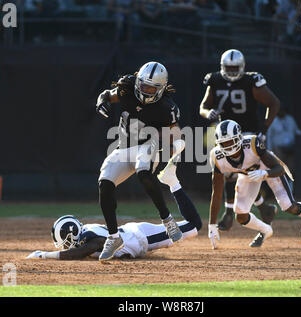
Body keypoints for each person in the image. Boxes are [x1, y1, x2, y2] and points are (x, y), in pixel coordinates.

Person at [27, 145, 203, 260]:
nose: (65, 247)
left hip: (142, 238)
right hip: (135, 234)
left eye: (65, 243)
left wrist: (45, 255)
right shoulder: (86, 233)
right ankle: (172, 180)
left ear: (71, 235)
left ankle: (172, 181)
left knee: (194, 226)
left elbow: (84, 250)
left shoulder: (88, 238)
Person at [94, 61, 183, 261]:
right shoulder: (127, 88)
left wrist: (175, 147)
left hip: (148, 146)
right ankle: (113, 237)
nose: (146, 91)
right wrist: (102, 102)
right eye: (143, 86)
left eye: (152, 88)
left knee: (143, 171)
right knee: (105, 183)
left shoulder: (167, 107)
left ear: (160, 89)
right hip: (124, 147)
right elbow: (107, 94)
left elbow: (176, 134)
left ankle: (167, 219)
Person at [208, 120, 301, 248]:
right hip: (247, 175)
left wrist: (265, 173)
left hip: (267, 169)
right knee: (241, 215)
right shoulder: (217, 157)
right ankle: (266, 230)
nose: (228, 147)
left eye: (230, 141)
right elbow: (216, 193)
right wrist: (211, 224)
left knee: (289, 206)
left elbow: (279, 168)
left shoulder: (252, 144)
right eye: (224, 143)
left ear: (239, 137)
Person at [199, 49, 280, 232]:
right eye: (229, 68)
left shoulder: (252, 81)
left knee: (242, 172)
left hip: (248, 132)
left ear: (242, 67)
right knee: (229, 171)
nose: (233, 71)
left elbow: (274, 103)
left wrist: (264, 129)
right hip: (226, 134)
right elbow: (203, 107)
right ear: (222, 67)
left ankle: (234, 212)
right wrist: (207, 113)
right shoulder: (215, 80)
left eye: (236, 67)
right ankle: (259, 208)